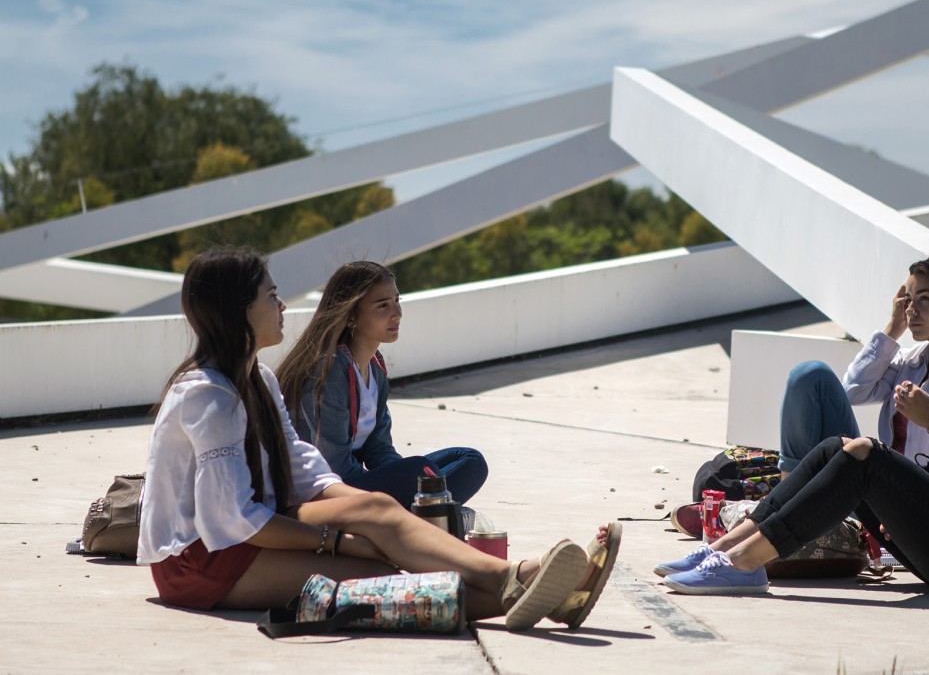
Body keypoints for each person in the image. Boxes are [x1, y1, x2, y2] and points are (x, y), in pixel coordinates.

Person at [137, 248, 620, 631]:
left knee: (381, 510)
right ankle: (531, 583)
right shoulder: (207, 396)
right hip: (202, 563)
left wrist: (368, 515)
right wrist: (340, 543)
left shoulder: (257, 378)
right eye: (270, 296)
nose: (282, 306)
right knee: (387, 581)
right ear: (237, 311)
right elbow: (234, 521)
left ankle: (535, 589)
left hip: (259, 524)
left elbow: (301, 463)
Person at [657, 273, 929, 604]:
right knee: (838, 448)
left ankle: (746, 564)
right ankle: (723, 549)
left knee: (865, 457)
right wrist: (913, 502)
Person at [672, 236, 929, 537]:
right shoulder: (914, 359)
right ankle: (781, 506)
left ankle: (772, 518)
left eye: (924, 300)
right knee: (810, 376)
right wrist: (891, 328)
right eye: (908, 299)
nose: (911, 309)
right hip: (874, 485)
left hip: (909, 505)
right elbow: (851, 391)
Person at [276, 261, 487, 508]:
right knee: (418, 473)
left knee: (469, 461)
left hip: (356, 482)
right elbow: (333, 464)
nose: (397, 313)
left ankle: (420, 512)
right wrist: (403, 481)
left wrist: (401, 478)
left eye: (397, 300)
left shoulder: (374, 366)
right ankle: (425, 513)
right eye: (383, 306)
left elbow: (379, 449)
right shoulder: (328, 370)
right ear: (352, 316)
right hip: (323, 491)